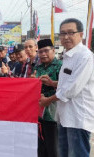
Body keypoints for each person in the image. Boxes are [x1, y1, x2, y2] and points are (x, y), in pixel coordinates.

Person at [40, 18, 94, 157]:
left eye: (71, 32)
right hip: (64, 116)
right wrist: (52, 83)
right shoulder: (68, 56)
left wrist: (48, 100)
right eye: (62, 33)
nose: (66, 37)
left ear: (81, 34)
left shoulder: (85, 57)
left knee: (76, 154)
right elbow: (67, 83)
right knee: (63, 153)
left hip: (78, 118)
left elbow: (72, 89)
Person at [33, 39, 62, 157]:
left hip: (54, 115)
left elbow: (66, 89)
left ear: (53, 50)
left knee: (53, 149)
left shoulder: (60, 66)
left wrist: (51, 83)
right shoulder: (39, 67)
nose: (43, 54)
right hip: (39, 114)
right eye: (40, 52)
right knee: (41, 148)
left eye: (46, 51)